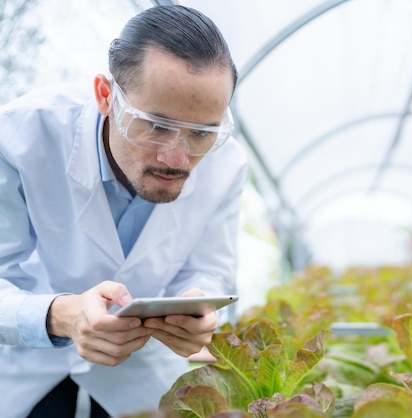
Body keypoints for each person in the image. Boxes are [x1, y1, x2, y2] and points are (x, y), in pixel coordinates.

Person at [0, 5, 247, 417]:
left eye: (202, 133)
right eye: (155, 125)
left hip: (140, 369)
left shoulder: (228, 162)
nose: (176, 157)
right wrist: (61, 316)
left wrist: (197, 307)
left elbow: (210, 269)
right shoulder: (20, 136)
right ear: (105, 96)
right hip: (26, 359)